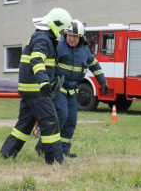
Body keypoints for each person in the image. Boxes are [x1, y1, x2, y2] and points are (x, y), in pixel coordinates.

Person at [0, 7, 72, 165]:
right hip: (36, 89)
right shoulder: (42, 38)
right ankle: (54, 159)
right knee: (51, 121)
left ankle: (7, 153)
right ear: (56, 25)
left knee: (24, 124)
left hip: (30, 89)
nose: (62, 34)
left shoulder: (42, 36)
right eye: (62, 31)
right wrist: (44, 82)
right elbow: (37, 60)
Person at [35, 19, 109, 158]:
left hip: (73, 90)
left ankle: (64, 149)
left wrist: (103, 82)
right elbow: (48, 65)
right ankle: (42, 146)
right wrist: (48, 83)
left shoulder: (85, 51)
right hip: (59, 88)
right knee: (61, 115)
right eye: (69, 35)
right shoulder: (59, 46)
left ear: (81, 37)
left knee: (71, 120)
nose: (71, 38)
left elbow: (95, 66)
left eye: (75, 36)